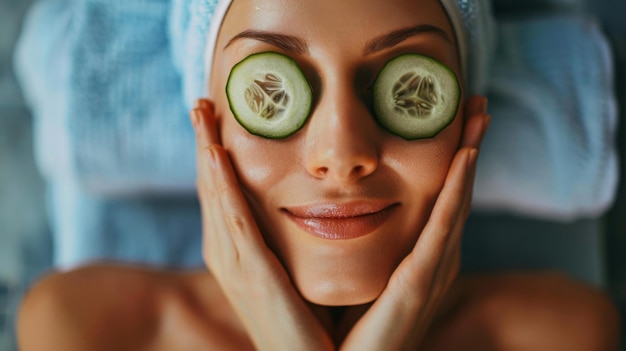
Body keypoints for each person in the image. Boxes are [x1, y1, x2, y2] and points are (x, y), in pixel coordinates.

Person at [16, 0, 620, 350]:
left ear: (467, 118)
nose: (341, 152)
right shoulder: (86, 330)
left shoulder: (558, 334)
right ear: (208, 123)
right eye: (271, 90)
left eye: (406, 89)